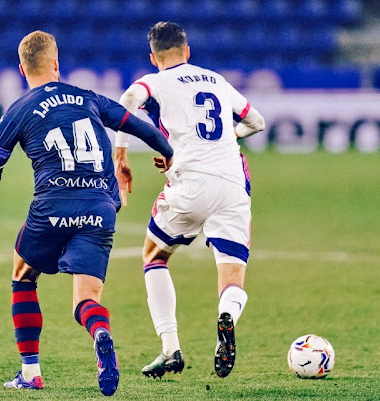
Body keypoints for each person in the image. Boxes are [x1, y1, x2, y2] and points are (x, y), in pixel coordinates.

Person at [0, 30, 173, 396]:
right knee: (86, 301)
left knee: (22, 274)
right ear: (56, 63)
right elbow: (140, 127)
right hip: (99, 208)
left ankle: (31, 373)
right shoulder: (89, 98)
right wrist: (168, 154)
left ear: (22, 68)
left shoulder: (17, 110)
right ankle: (100, 332)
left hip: (51, 206)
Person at [113, 21, 266, 378]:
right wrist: (227, 134)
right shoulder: (214, 79)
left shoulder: (156, 81)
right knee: (232, 274)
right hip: (232, 183)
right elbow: (256, 121)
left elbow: (127, 102)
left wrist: (121, 155)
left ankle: (170, 349)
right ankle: (227, 313)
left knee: (154, 255)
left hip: (190, 183)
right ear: (188, 50)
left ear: (153, 57)